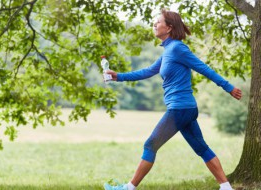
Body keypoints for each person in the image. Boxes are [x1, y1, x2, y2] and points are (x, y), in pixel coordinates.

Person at [103, 9, 242, 190]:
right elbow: (147, 71)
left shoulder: (178, 48)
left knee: (150, 144)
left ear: (169, 28)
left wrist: (228, 87)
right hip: (185, 109)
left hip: (180, 108)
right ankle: (226, 187)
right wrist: (118, 77)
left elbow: (203, 68)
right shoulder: (167, 51)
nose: (154, 24)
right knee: (201, 148)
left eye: (158, 22)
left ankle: (128, 188)